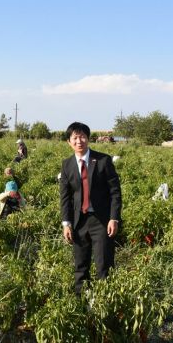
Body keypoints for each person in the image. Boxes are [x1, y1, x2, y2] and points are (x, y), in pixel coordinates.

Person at [59, 122, 122, 295]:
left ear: (88, 139)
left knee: (104, 266)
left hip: (101, 221)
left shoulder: (103, 160)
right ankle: (81, 305)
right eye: (75, 138)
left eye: (82, 137)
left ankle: (106, 303)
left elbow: (115, 192)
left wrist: (113, 218)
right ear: (69, 142)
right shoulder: (67, 165)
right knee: (80, 267)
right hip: (79, 221)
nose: (79, 141)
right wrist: (66, 223)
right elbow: (65, 197)